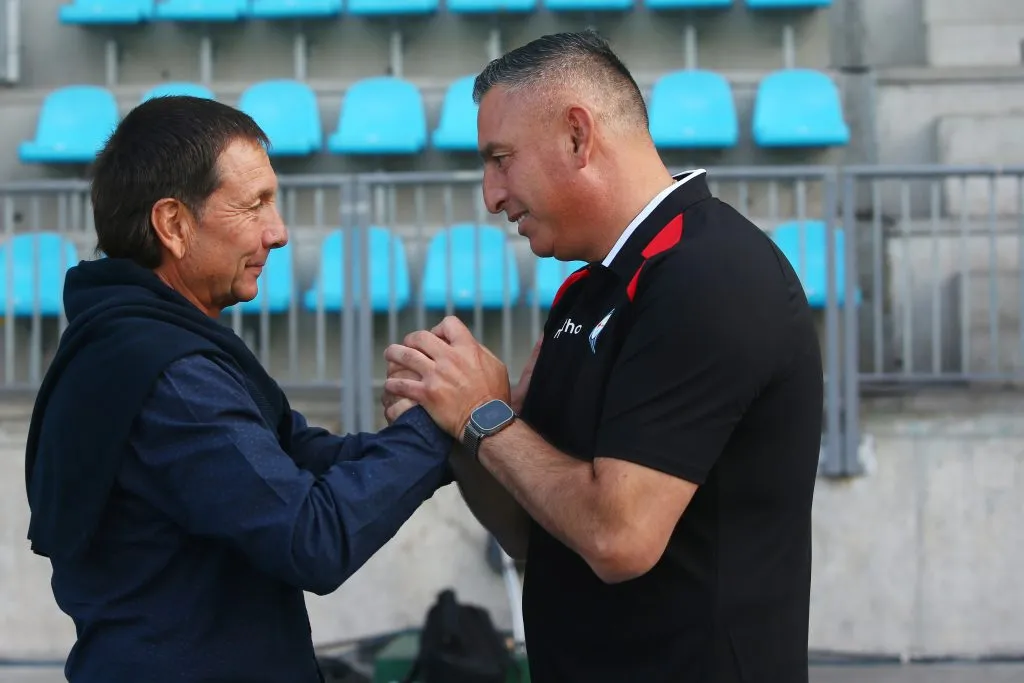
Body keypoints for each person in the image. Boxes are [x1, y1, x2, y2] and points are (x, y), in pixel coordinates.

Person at [382, 30, 824, 683]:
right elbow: (537, 532)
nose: (491, 195)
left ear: (577, 136)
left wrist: (484, 417)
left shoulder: (710, 275)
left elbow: (618, 537)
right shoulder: (585, 291)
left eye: (500, 158)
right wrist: (457, 429)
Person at [23, 95, 454, 683]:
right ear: (173, 224)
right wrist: (443, 426)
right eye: (254, 206)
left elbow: (302, 458)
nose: (278, 233)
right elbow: (311, 537)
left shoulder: (139, 343)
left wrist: (446, 424)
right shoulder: (167, 374)